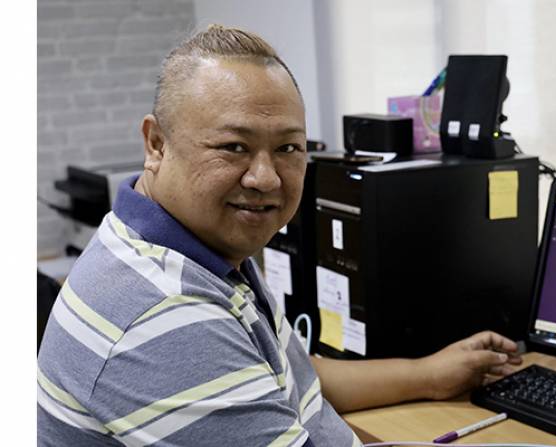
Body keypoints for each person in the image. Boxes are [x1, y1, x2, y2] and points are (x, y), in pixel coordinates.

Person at [37, 25, 521, 446]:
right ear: (157, 144)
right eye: (234, 147)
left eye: (289, 148)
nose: (265, 179)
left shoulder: (194, 251)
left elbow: (293, 375)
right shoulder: (165, 314)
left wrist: (431, 374)